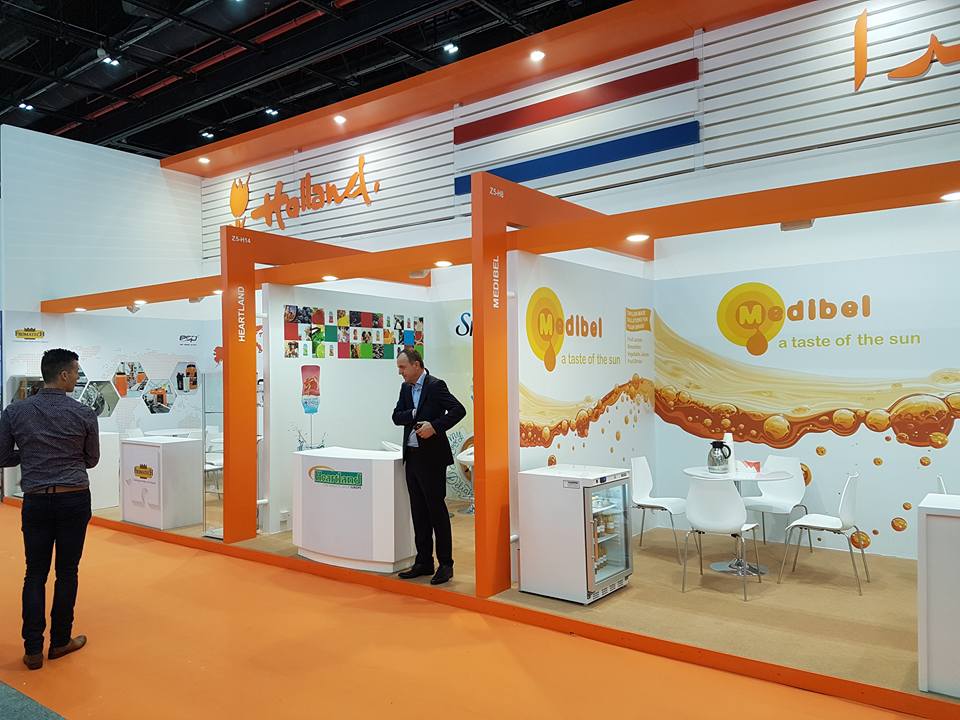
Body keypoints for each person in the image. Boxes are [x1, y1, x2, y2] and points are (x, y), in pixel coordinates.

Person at [0, 348, 100, 670]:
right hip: (74, 499)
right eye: (76, 372)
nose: (77, 377)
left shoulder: (15, 411)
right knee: (67, 572)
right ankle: (59, 642)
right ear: (64, 374)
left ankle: (32, 650)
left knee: (34, 573)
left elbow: (2, 456)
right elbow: (92, 459)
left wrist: (31, 455)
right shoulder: (83, 413)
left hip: (36, 501)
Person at [392, 348, 465, 585]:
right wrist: (413, 413)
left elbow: (459, 410)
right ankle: (424, 561)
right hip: (412, 457)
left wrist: (434, 426)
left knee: (436, 512)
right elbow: (396, 416)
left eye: (403, 367)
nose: (400, 372)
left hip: (432, 459)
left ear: (416, 365)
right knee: (418, 512)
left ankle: (446, 564)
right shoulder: (405, 388)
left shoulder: (435, 386)